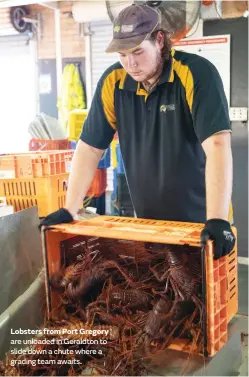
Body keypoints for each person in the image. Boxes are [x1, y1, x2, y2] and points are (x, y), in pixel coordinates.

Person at [40, 4, 235, 260]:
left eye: (138, 52)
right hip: (150, 228)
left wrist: (217, 219)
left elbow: (218, 146)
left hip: (202, 226)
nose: (130, 63)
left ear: (160, 40)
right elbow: (89, 148)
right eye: (122, 54)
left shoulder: (196, 74)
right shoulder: (113, 82)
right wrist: (70, 208)